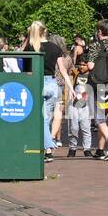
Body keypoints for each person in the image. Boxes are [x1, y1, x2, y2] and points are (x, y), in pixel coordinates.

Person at [30, 22, 69, 161]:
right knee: (47, 117)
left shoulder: (31, 47)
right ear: (45, 31)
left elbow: (23, 66)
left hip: (37, 83)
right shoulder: (55, 47)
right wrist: (70, 86)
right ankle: (47, 147)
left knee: (42, 119)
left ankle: (48, 148)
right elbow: (62, 69)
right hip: (52, 84)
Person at [87, 19, 108, 159]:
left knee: (99, 119)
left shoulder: (95, 45)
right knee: (106, 119)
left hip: (97, 84)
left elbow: (91, 66)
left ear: (99, 31)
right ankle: (100, 150)